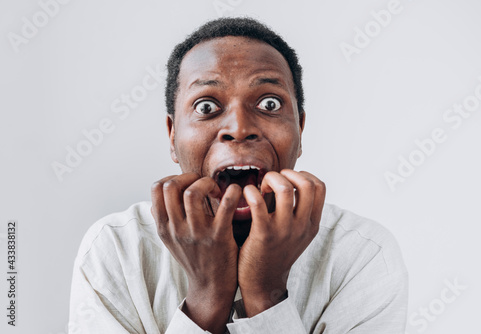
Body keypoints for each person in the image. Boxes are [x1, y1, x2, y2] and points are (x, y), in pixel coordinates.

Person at [69, 17, 408, 334]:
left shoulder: (363, 256)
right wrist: (207, 293)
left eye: (270, 104)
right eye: (206, 107)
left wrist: (266, 293)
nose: (239, 128)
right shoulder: (116, 249)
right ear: (172, 136)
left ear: (300, 130)